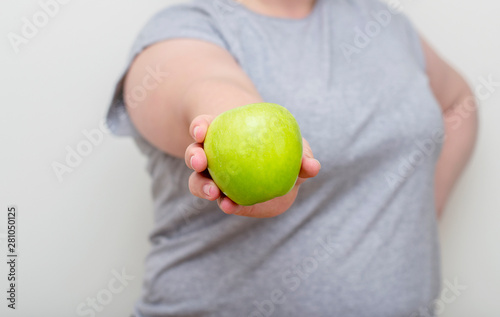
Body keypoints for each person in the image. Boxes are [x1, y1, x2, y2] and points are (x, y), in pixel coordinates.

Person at [106, 0, 477, 316]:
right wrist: (255, 156)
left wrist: (424, 212)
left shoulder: (381, 20)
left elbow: (457, 103)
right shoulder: (185, 29)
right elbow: (212, 89)